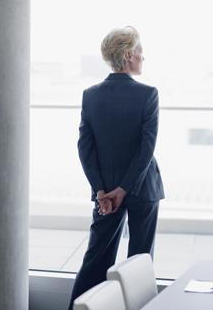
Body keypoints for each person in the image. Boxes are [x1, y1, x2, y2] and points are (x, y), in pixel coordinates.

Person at [68, 26, 165, 309]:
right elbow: (146, 148)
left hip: (106, 191)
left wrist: (102, 190)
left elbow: (85, 148)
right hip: (142, 188)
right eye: (139, 52)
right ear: (127, 55)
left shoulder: (91, 95)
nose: (143, 57)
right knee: (139, 262)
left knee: (96, 258)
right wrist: (124, 189)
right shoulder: (149, 94)